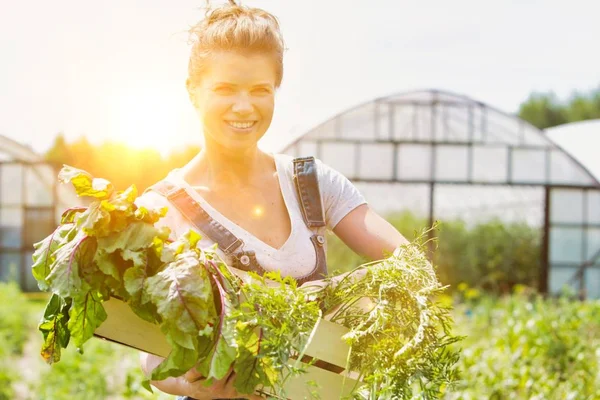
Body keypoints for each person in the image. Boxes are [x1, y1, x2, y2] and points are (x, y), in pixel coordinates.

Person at [136, 1, 409, 399]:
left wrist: (356, 301)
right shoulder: (164, 210)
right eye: (225, 89)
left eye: (261, 90)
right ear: (194, 92)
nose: (244, 107)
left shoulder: (312, 184)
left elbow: (406, 262)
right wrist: (195, 387)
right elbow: (151, 357)